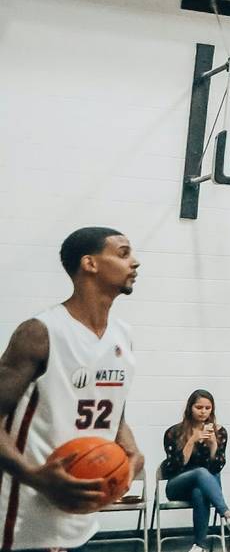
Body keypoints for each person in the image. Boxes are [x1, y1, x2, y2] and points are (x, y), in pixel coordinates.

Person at [0, 227, 146, 552]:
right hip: (22, 521)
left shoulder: (123, 336)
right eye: (123, 253)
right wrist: (34, 475)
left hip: (83, 520)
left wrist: (131, 450)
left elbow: (113, 411)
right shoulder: (40, 332)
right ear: (89, 263)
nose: (135, 262)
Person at [161, 389, 230, 552]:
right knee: (200, 472)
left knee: (199, 492)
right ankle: (229, 515)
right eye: (199, 407)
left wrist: (214, 445)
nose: (203, 412)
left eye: (208, 408)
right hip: (177, 485)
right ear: (190, 408)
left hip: (206, 488)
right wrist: (191, 441)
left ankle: (199, 546)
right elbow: (173, 467)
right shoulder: (174, 432)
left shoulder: (219, 432)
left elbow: (216, 468)